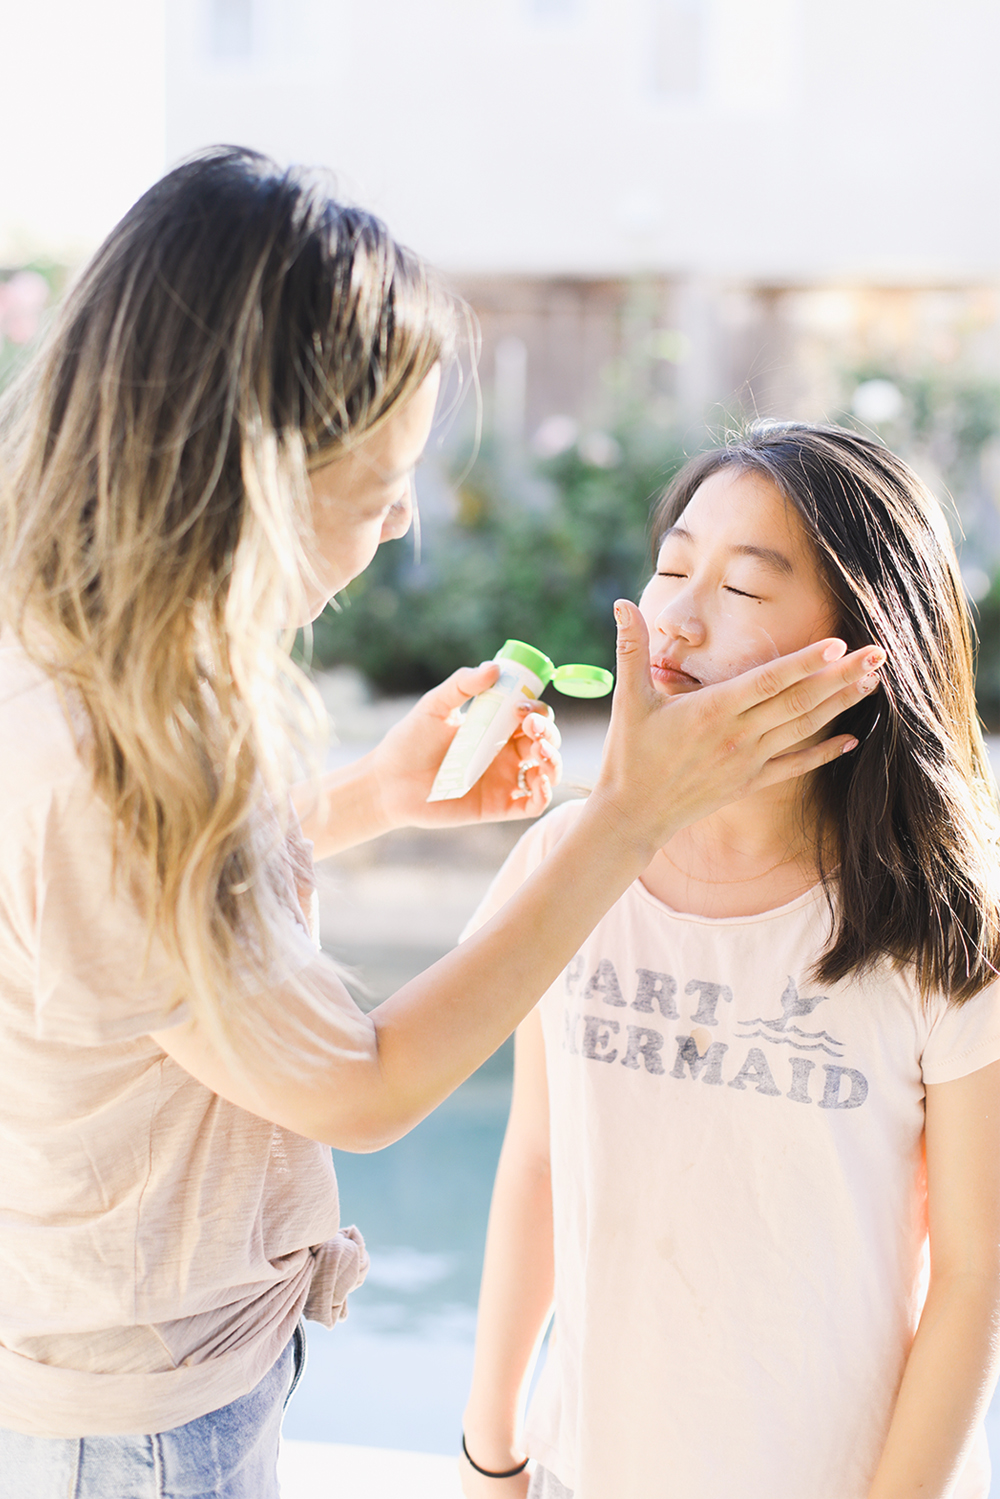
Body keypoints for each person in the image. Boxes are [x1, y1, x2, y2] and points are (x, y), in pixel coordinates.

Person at [0, 149, 878, 1498]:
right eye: (381, 475)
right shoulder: (106, 744)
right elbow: (366, 1084)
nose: (408, 512)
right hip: (125, 1411)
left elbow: (140, 925)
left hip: (148, 1366)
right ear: (260, 458)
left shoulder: (73, 650)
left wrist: (366, 799)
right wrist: (628, 818)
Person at [460, 422, 1000, 1499]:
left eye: (746, 589)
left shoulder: (943, 926)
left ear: (863, 642)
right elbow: (535, 1162)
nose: (677, 614)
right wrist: (493, 1452)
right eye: (670, 566)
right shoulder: (564, 868)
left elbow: (974, 1276)